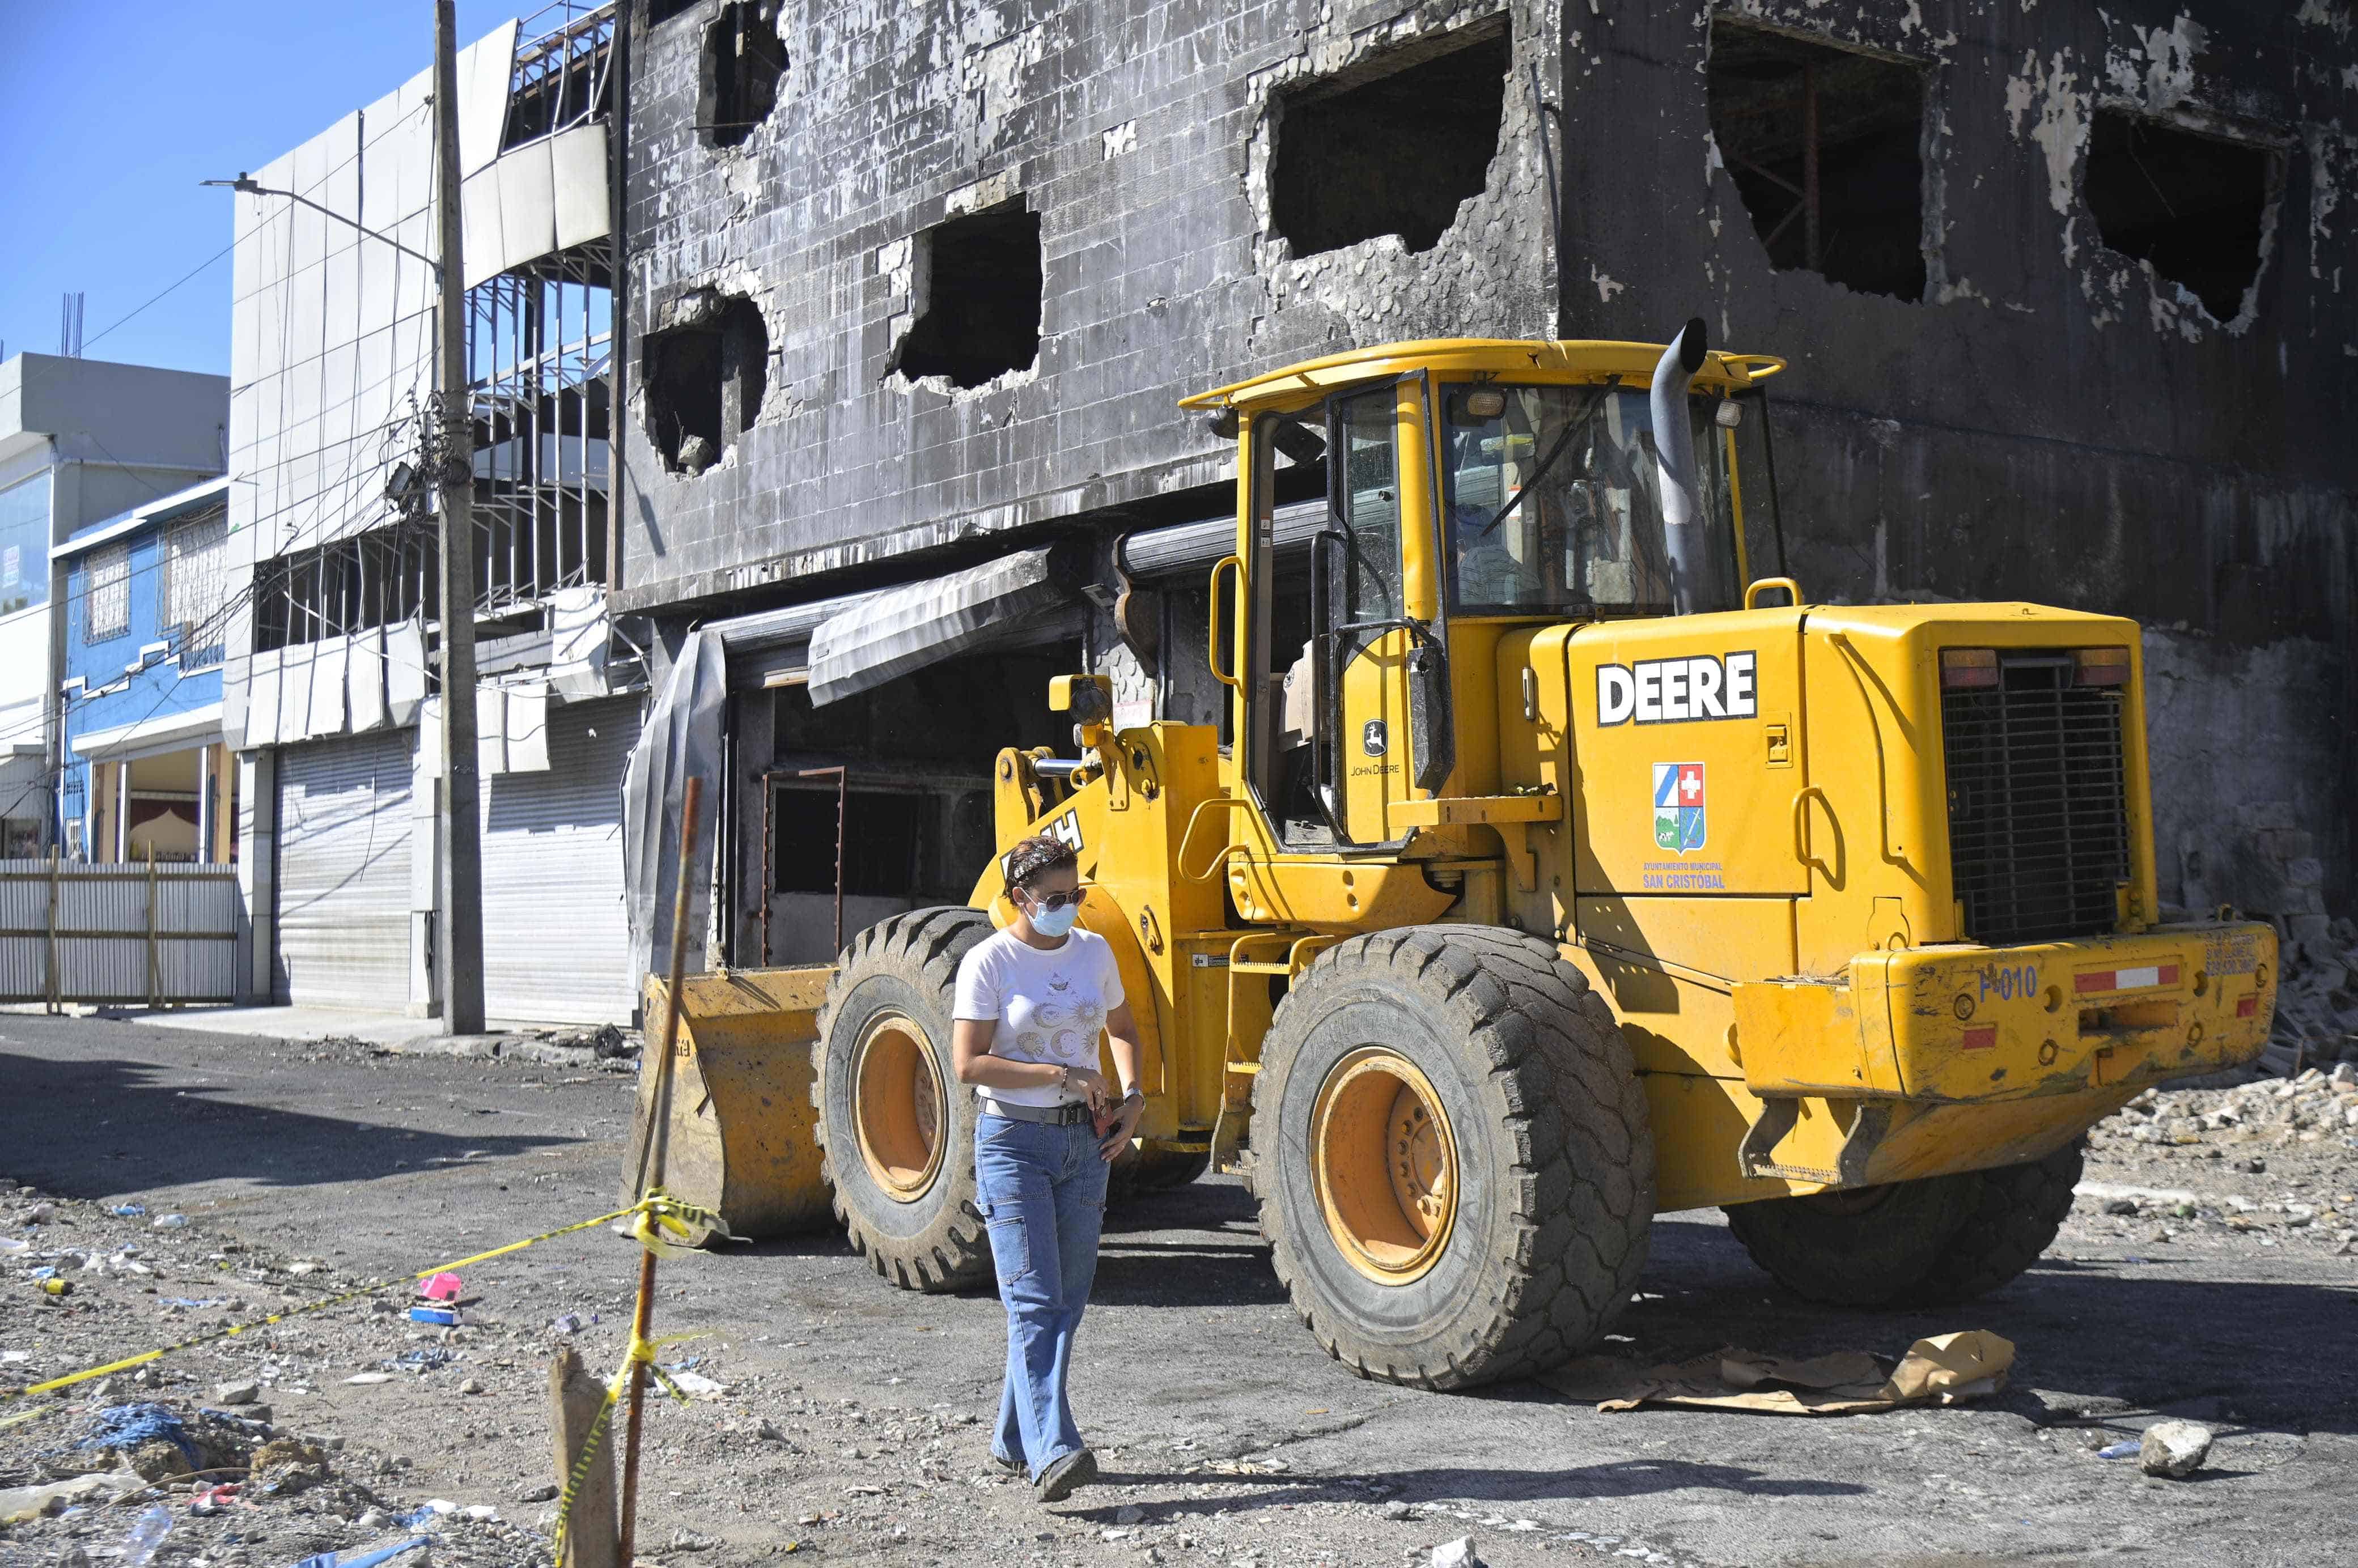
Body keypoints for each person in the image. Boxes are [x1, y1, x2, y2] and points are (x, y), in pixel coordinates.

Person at [951, 833, 1145, 1502]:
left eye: (1077, 895)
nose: (1069, 908)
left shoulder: (1093, 951)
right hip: (1012, 1142)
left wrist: (1134, 1095)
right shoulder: (989, 960)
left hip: (1087, 1146)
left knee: (1066, 1301)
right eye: (1055, 898)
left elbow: (1120, 1027)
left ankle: (1013, 1436)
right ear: (1019, 899)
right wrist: (1062, 1073)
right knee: (1033, 1300)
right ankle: (1053, 1448)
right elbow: (968, 1063)